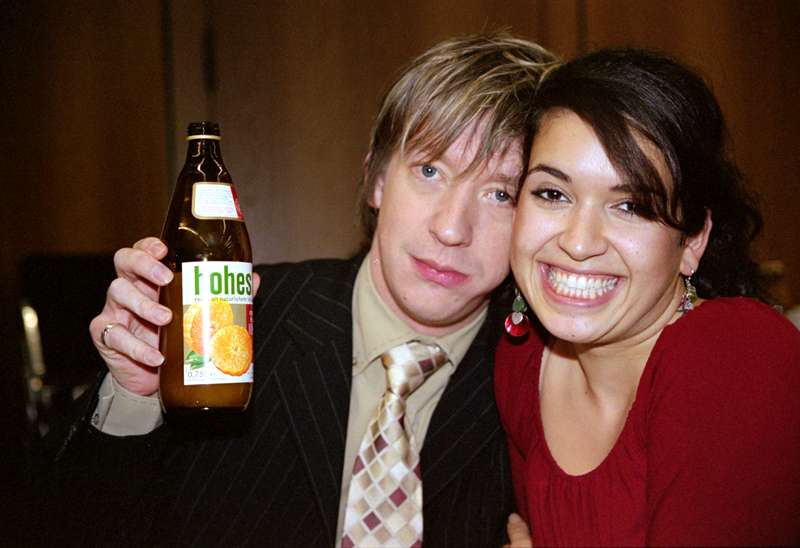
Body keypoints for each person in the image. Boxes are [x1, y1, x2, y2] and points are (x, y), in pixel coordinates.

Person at [37, 34, 558, 547]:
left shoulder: (549, 387)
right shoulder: (237, 324)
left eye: (501, 194)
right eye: (430, 170)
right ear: (377, 179)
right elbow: (75, 525)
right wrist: (135, 395)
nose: (451, 228)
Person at [495, 49, 800, 546]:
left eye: (631, 206)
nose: (579, 242)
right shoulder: (521, 359)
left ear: (693, 241)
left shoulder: (737, 353)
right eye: (552, 194)